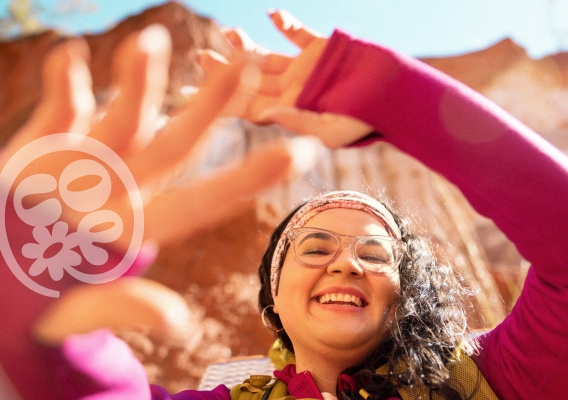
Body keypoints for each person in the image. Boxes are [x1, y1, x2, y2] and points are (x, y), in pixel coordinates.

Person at [1, 8, 567, 400]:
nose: (345, 264)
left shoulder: (496, 380)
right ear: (275, 293)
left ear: (407, 290)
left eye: (374, 253)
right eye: (315, 247)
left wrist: (385, 92)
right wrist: (31, 324)